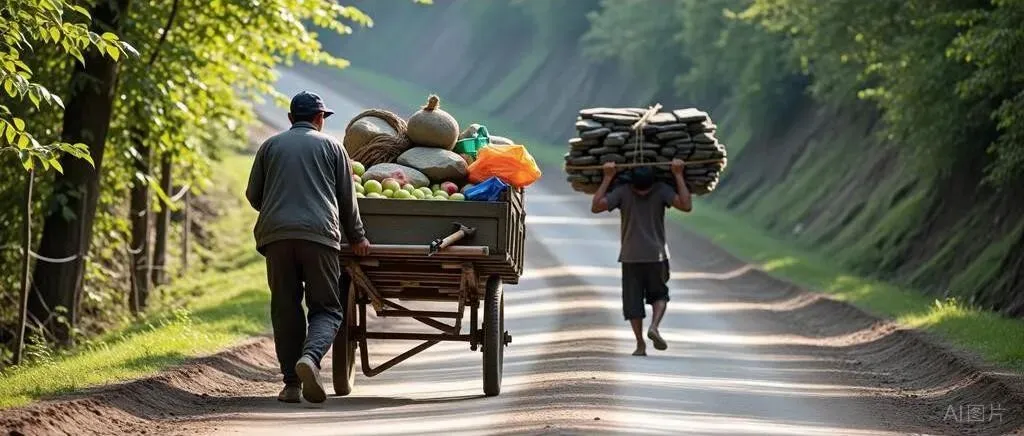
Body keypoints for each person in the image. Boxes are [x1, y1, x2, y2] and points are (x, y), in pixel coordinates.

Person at [245, 91, 372, 403]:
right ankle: (310, 359)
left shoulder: (269, 146)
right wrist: (357, 237)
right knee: (327, 309)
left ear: (290, 119)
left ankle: (291, 385)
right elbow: (347, 199)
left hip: (275, 238)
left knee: (285, 307)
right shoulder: (333, 148)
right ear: (320, 119)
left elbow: (253, 196)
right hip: (320, 237)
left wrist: (276, 209)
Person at [590, 159, 692, 356]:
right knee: (660, 295)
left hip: (630, 256)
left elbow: (596, 206)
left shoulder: (623, 191)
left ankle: (640, 344)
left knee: (633, 303)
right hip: (657, 255)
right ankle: (654, 326)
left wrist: (607, 177)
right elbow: (686, 205)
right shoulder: (661, 189)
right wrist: (678, 174)